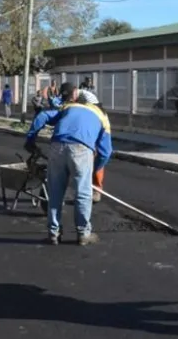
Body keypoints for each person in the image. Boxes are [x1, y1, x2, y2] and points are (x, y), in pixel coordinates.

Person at [24, 82, 113, 246]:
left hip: (57, 146)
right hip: (81, 149)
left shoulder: (69, 108)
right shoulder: (102, 117)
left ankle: (53, 233)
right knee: (83, 194)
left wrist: (30, 140)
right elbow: (106, 152)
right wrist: (96, 168)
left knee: (55, 193)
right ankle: (83, 234)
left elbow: (42, 116)